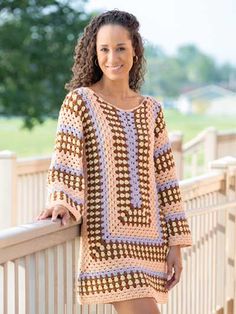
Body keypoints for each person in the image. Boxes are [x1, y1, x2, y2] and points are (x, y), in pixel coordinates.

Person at [36, 9, 192, 314]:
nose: (112, 58)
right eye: (103, 49)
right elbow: (66, 159)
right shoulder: (80, 101)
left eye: (120, 48)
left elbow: (166, 181)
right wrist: (62, 201)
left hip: (148, 243)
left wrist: (176, 245)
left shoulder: (152, 110)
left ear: (135, 50)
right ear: (94, 54)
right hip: (106, 242)